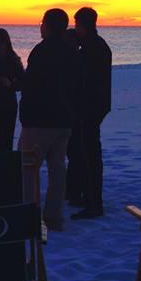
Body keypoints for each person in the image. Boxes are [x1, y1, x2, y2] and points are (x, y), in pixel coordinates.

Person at [18, 8, 80, 231]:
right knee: (57, 171)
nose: (40, 26)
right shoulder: (72, 53)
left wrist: (25, 114)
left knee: (27, 171)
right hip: (63, 121)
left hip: (39, 121)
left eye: (42, 22)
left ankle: (29, 216)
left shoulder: (41, 51)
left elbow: (31, 85)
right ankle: (54, 217)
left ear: (48, 26)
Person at [70, 7, 112, 219]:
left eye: (76, 24)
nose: (74, 28)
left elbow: (81, 78)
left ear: (82, 24)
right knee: (86, 152)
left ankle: (93, 202)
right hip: (96, 105)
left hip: (89, 107)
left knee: (89, 154)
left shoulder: (90, 47)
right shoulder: (98, 45)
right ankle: (85, 196)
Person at [62, 27, 85, 206]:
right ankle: (71, 190)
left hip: (72, 113)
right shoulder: (77, 59)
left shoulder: (74, 60)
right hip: (71, 112)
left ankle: (73, 192)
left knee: (74, 154)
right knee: (73, 154)